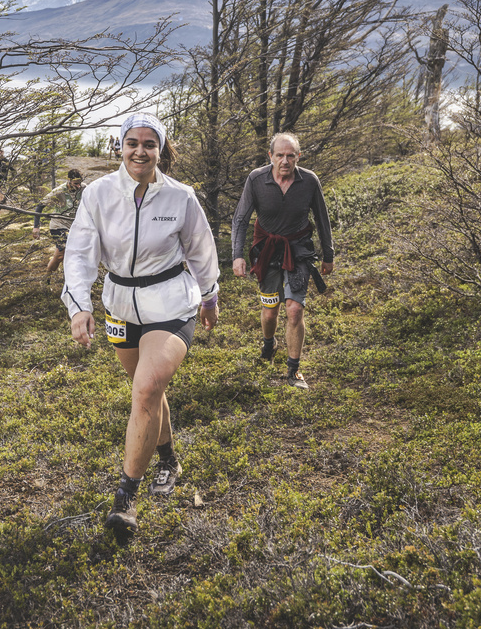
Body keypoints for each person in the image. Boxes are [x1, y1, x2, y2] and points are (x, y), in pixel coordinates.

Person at [63, 114, 220, 533]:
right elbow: (79, 253)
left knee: (147, 388)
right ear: (121, 146)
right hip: (121, 306)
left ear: (160, 150)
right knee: (148, 389)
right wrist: (79, 306)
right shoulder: (98, 194)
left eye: (150, 144)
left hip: (171, 303)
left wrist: (209, 297)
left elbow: (201, 249)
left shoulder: (180, 197)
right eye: (132, 142)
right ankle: (168, 459)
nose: (140, 151)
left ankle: (125, 499)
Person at [230, 132, 334, 389]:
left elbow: (322, 218)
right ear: (271, 156)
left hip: (299, 250)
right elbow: (241, 219)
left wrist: (328, 254)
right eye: (280, 155)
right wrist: (237, 255)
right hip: (267, 251)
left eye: (290, 155)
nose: (285, 161)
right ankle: (269, 343)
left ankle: (293, 370)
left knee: (295, 310)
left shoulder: (309, 181)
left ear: (298, 156)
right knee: (270, 312)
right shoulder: (256, 179)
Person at [33, 169, 85, 275]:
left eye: (80, 183)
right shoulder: (59, 191)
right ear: (69, 180)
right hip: (58, 225)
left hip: (74, 226)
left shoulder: (84, 188)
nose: (78, 185)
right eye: (76, 183)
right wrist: (36, 227)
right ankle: (48, 276)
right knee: (62, 253)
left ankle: (70, 277)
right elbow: (40, 206)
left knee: (69, 254)